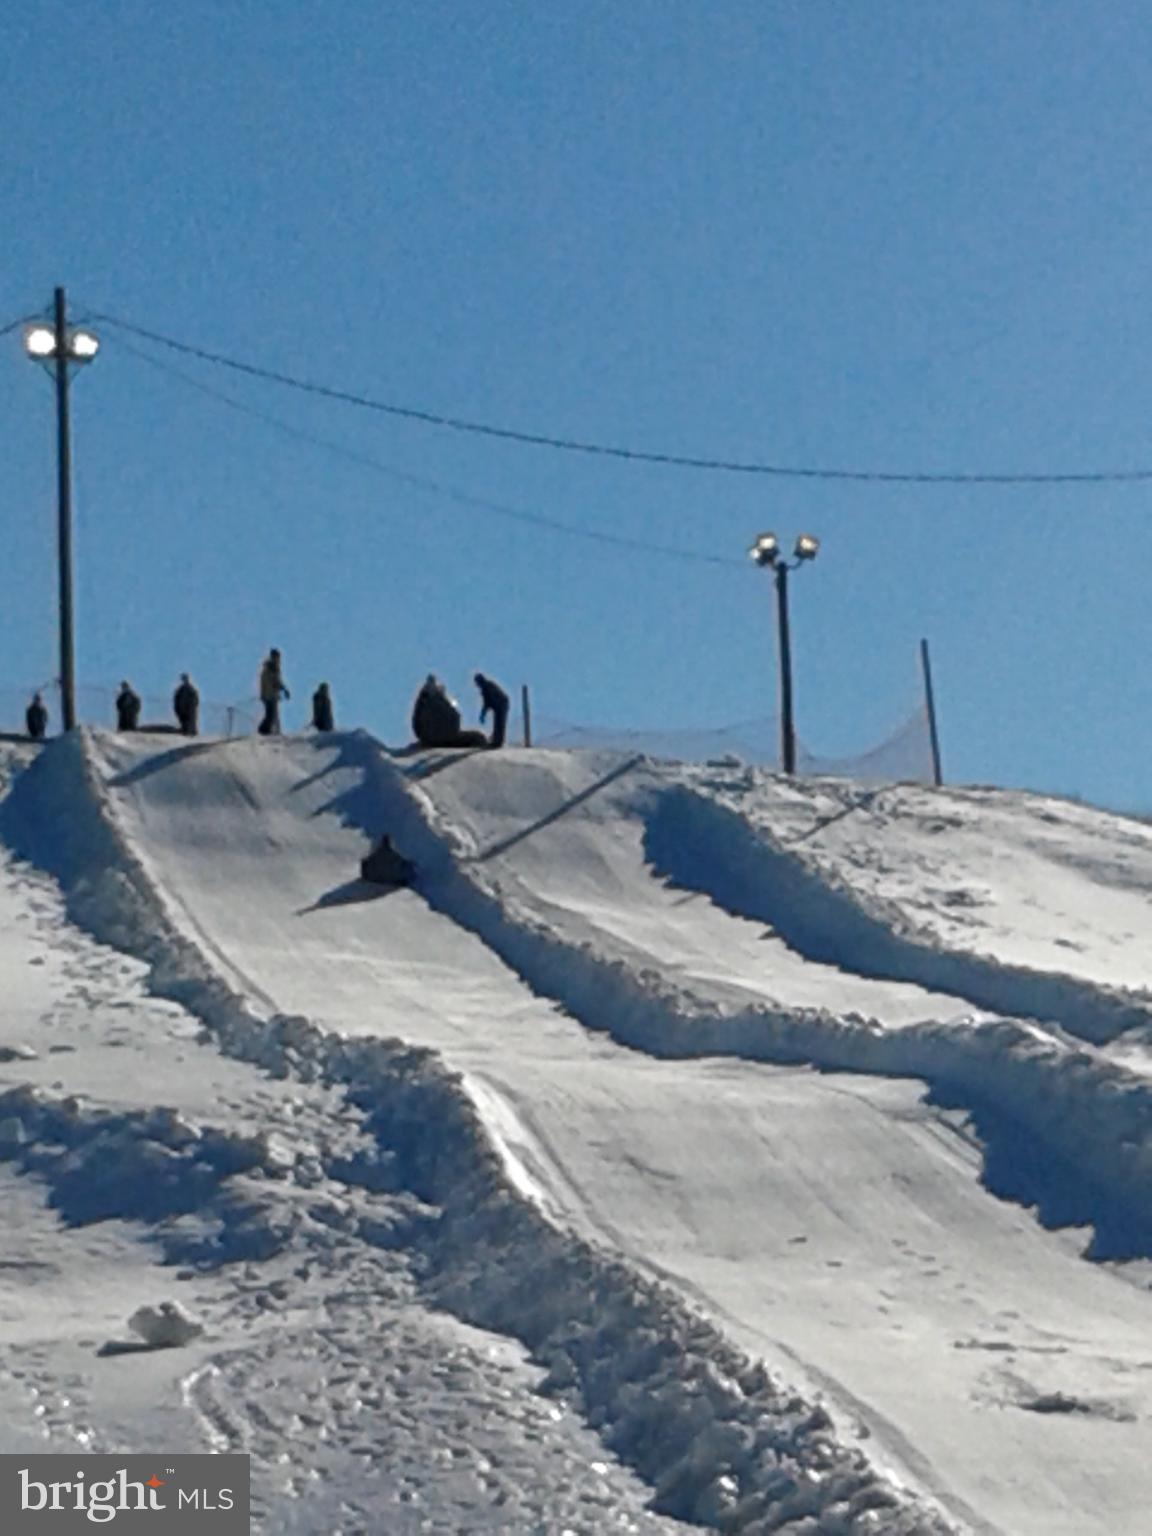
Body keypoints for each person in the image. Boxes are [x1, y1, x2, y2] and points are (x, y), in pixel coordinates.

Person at [259, 648, 290, 736]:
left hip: (273, 695)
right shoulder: (269, 668)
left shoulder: (276, 668)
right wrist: (275, 686)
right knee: (270, 715)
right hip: (268, 695)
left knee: (272, 714)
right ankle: (263, 731)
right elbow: (268, 681)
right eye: (276, 657)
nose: (278, 659)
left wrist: (284, 689)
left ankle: (274, 731)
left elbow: (278, 681)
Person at [474, 672, 510, 749]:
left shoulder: (487, 687)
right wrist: (484, 713)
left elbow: (487, 702)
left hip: (502, 703)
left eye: (476, 682)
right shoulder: (486, 687)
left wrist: (483, 714)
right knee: (498, 722)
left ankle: (498, 742)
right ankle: (496, 740)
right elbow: (487, 702)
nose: (476, 685)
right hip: (499, 704)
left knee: (500, 722)